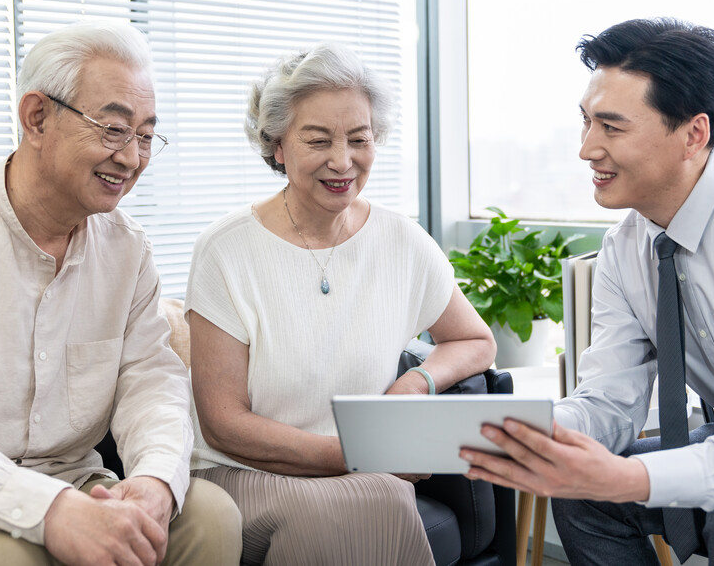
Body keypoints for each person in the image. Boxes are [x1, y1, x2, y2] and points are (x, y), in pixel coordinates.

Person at [461, 18, 714, 565]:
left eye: (611, 127)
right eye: (585, 123)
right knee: (584, 495)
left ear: (693, 134)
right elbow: (611, 399)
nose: (587, 149)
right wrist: (532, 433)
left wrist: (630, 475)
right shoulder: (624, 249)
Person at [0, 20, 241, 566]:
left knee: (209, 517)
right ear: (37, 117)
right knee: (2, 560)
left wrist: (154, 479)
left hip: (74, 484)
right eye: (113, 129)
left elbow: (151, 384)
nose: (131, 159)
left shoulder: (128, 250)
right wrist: (49, 509)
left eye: (146, 136)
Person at [184, 42, 496, 566]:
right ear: (277, 145)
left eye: (359, 139)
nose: (342, 160)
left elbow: (473, 339)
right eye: (318, 140)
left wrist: (413, 384)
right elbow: (223, 423)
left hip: (364, 472)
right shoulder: (226, 249)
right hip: (243, 472)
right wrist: (355, 455)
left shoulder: (401, 240)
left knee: (375, 499)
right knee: (376, 500)